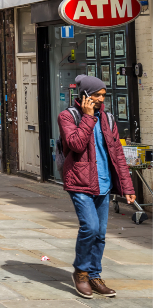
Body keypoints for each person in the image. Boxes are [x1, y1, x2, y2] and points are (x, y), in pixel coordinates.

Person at [60, 75, 135, 299]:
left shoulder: (109, 119)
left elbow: (118, 155)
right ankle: (81, 273)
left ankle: (94, 274)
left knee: (100, 234)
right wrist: (88, 117)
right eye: (97, 95)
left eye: (103, 95)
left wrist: (127, 187)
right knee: (90, 228)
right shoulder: (68, 116)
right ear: (84, 96)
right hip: (79, 182)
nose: (102, 99)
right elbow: (75, 144)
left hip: (103, 183)